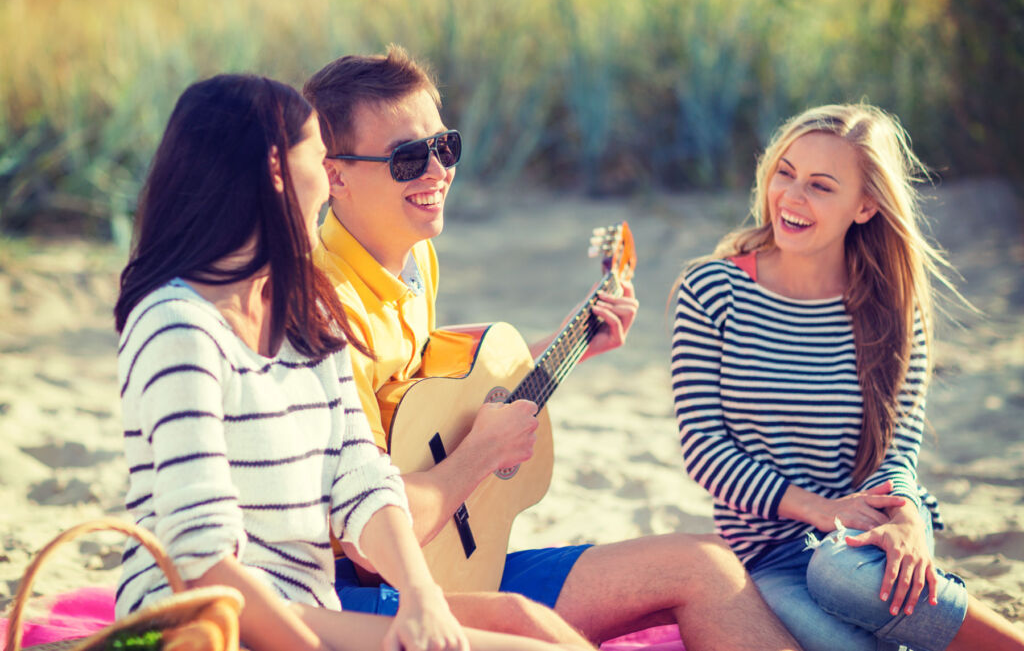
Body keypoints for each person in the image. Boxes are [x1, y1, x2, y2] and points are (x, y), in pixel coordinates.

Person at [303, 47, 801, 651]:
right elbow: (362, 537)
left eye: (445, 147)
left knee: (706, 564)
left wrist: (573, 341)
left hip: (442, 564)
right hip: (350, 592)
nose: (436, 173)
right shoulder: (322, 315)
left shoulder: (412, 254)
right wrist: (480, 456)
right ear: (335, 175)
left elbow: (435, 399)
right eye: (408, 158)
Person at [113, 73, 587, 651]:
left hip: (306, 609)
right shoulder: (177, 326)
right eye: (319, 157)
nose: (330, 181)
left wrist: (421, 598)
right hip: (201, 624)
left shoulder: (309, 309)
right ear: (275, 170)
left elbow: (361, 478)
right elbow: (202, 559)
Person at [670, 103, 1024, 651]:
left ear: (865, 206)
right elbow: (705, 451)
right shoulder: (712, 291)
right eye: (785, 172)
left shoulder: (892, 304)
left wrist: (905, 517)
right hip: (767, 556)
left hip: (868, 527)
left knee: (838, 573)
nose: (791, 196)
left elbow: (899, 448)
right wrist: (821, 510)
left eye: (820, 186)